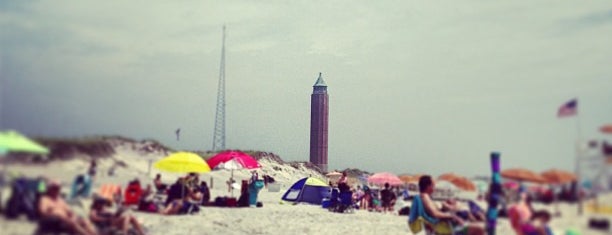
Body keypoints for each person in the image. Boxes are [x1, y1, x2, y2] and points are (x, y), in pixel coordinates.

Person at [417, 175, 485, 235]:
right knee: (479, 230)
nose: (434, 187)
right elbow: (435, 214)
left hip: (442, 225)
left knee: (477, 227)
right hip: (444, 228)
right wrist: (451, 216)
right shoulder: (425, 198)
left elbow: (432, 212)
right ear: (428, 186)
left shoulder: (423, 197)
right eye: (433, 185)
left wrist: (444, 209)